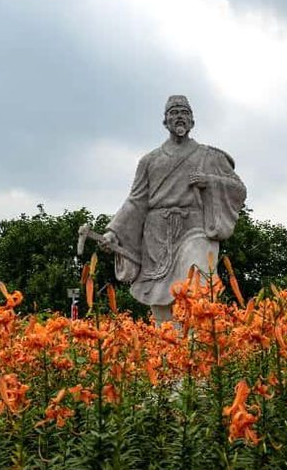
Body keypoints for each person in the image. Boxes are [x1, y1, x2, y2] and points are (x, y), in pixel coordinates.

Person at [101, 95, 246, 323]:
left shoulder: (210, 156)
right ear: (165, 121)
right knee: (160, 296)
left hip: (195, 228)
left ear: (192, 121)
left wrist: (209, 181)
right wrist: (114, 232)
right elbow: (136, 200)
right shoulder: (149, 161)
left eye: (184, 113)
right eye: (174, 113)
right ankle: (167, 342)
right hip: (158, 234)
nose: (179, 117)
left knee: (198, 280)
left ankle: (197, 337)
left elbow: (238, 188)